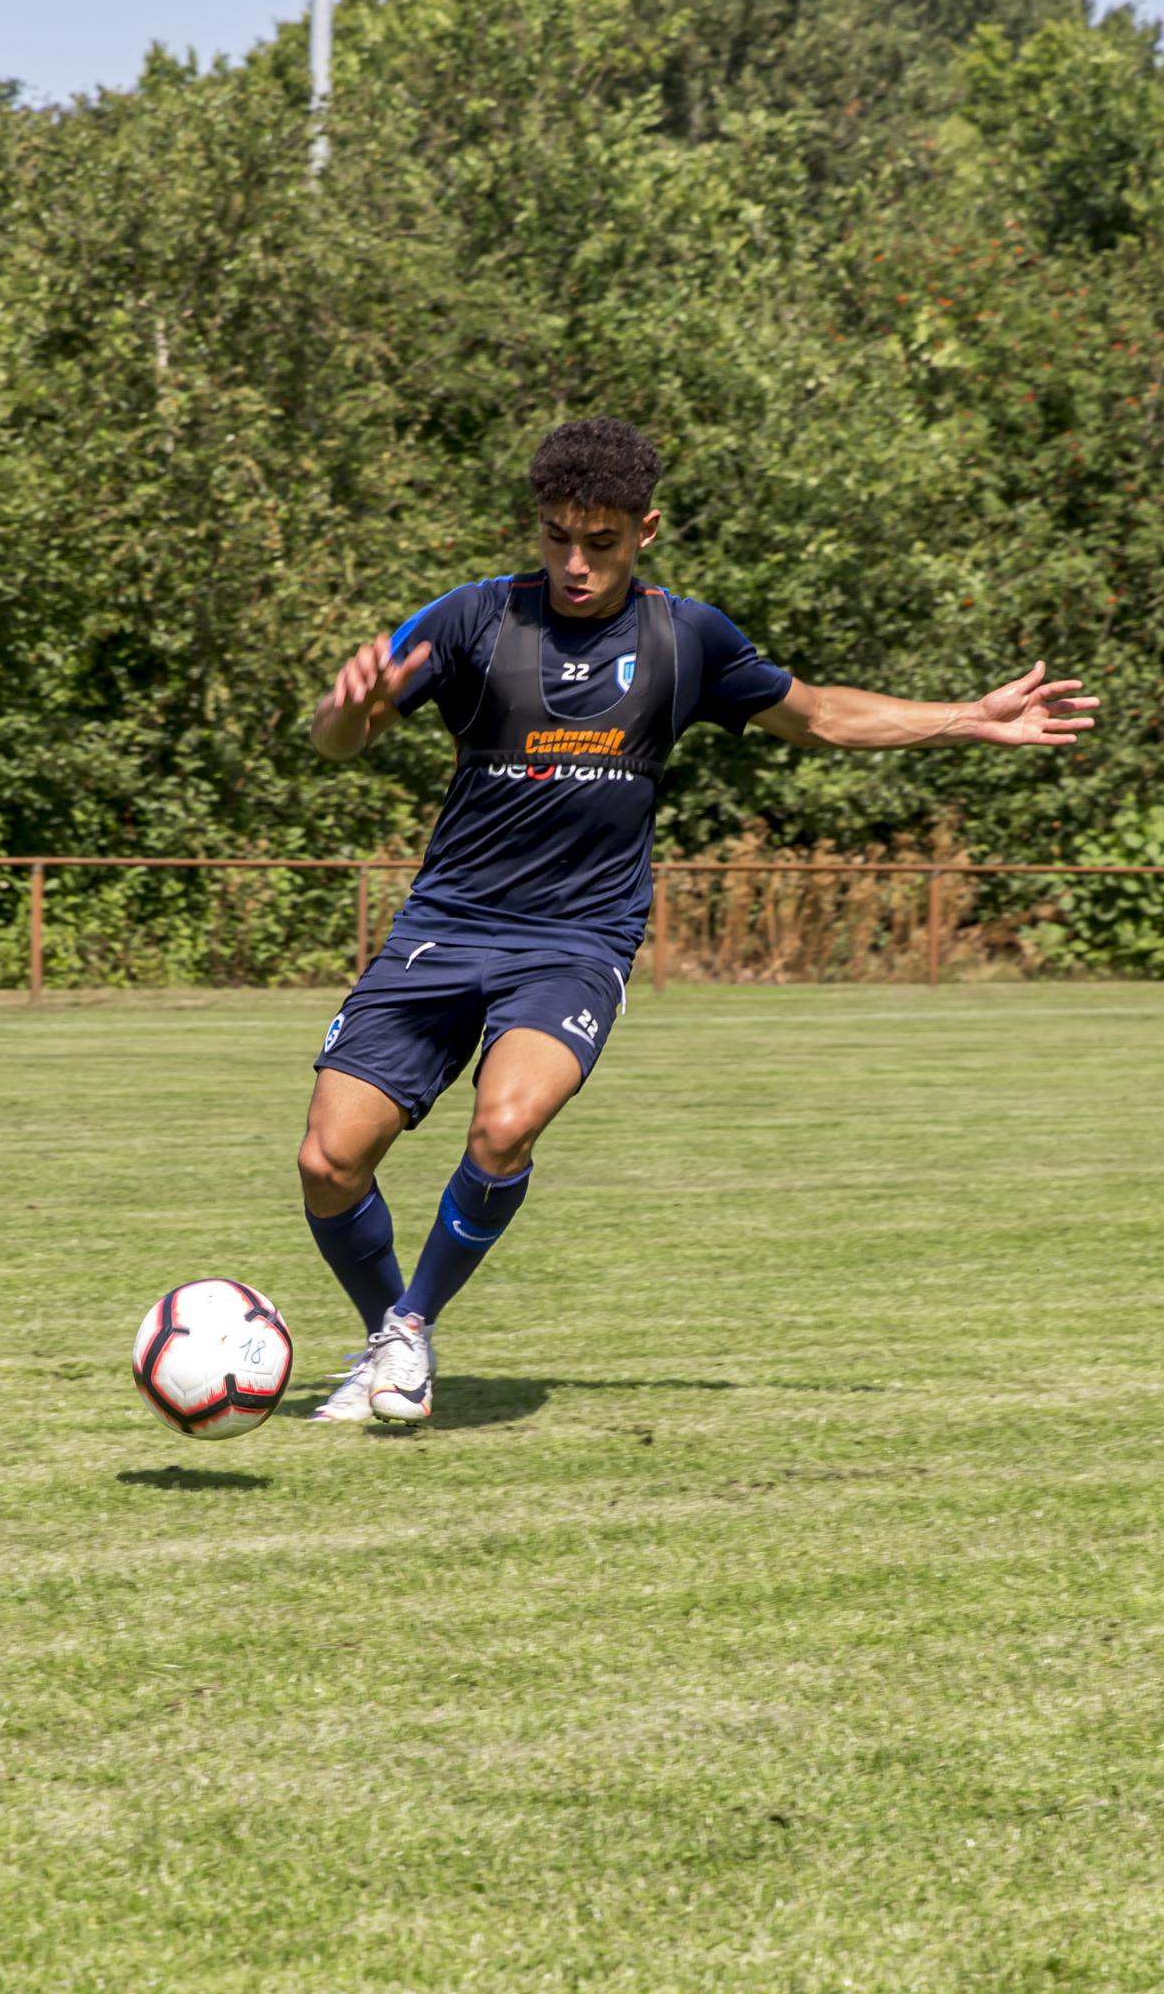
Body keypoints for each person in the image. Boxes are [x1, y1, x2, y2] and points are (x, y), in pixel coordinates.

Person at [295, 416, 1096, 1423]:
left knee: (504, 1127)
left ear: (648, 531)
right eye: (554, 538)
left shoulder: (686, 638)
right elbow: (341, 740)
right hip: (446, 924)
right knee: (328, 1160)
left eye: (601, 542)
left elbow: (820, 715)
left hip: (576, 942)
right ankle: (386, 1339)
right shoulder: (471, 620)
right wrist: (345, 706)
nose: (575, 563)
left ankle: (410, 1328)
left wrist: (964, 718)